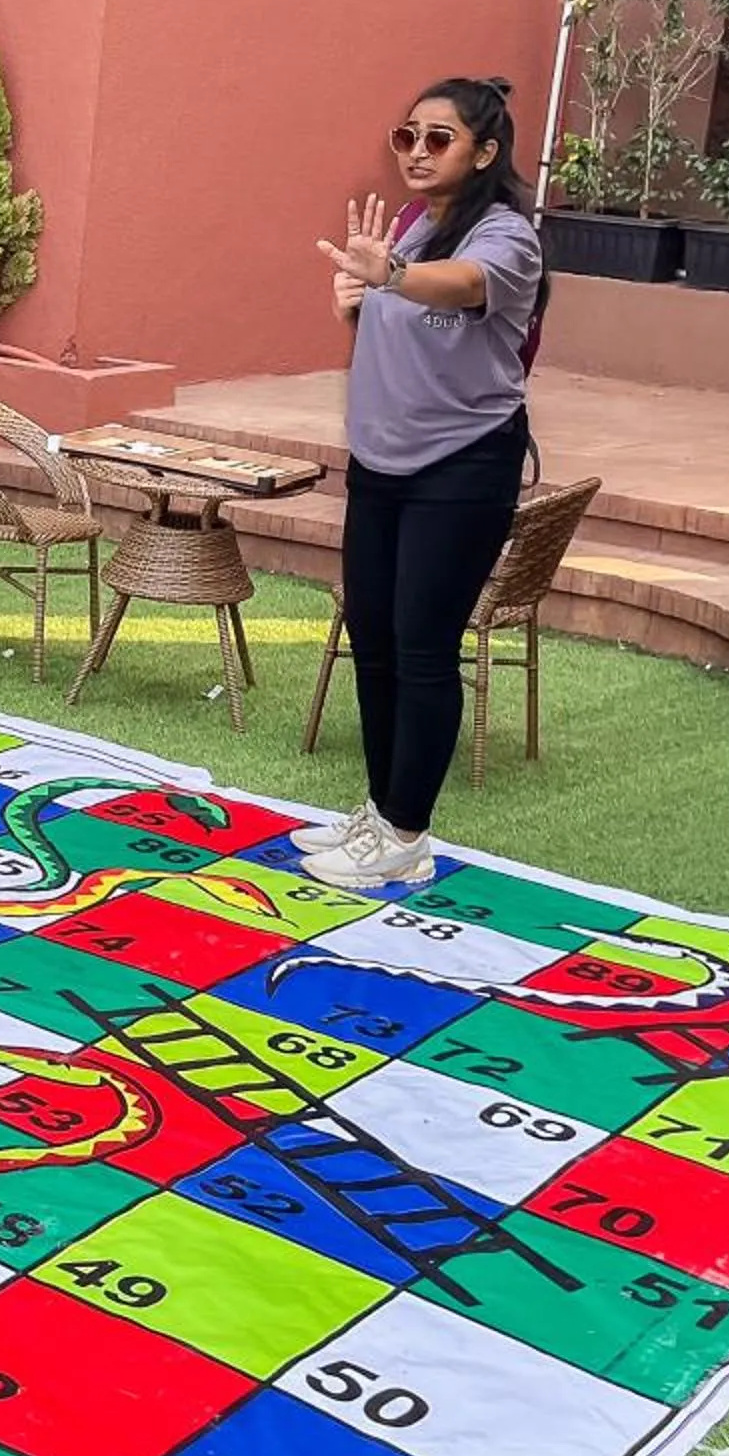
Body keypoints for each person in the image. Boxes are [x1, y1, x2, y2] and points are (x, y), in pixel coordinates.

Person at [299, 75, 544, 890]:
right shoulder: (413, 224)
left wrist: (393, 274)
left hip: (463, 465)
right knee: (372, 639)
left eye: (438, 139)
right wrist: (355, 303)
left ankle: (407, 832)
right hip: (381, 464)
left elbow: (461, 288)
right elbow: (397, 325)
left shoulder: (505, 237)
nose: (417, 152)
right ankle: (381, 809)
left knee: (423, 649)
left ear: (485, 152)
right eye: (407, 136)